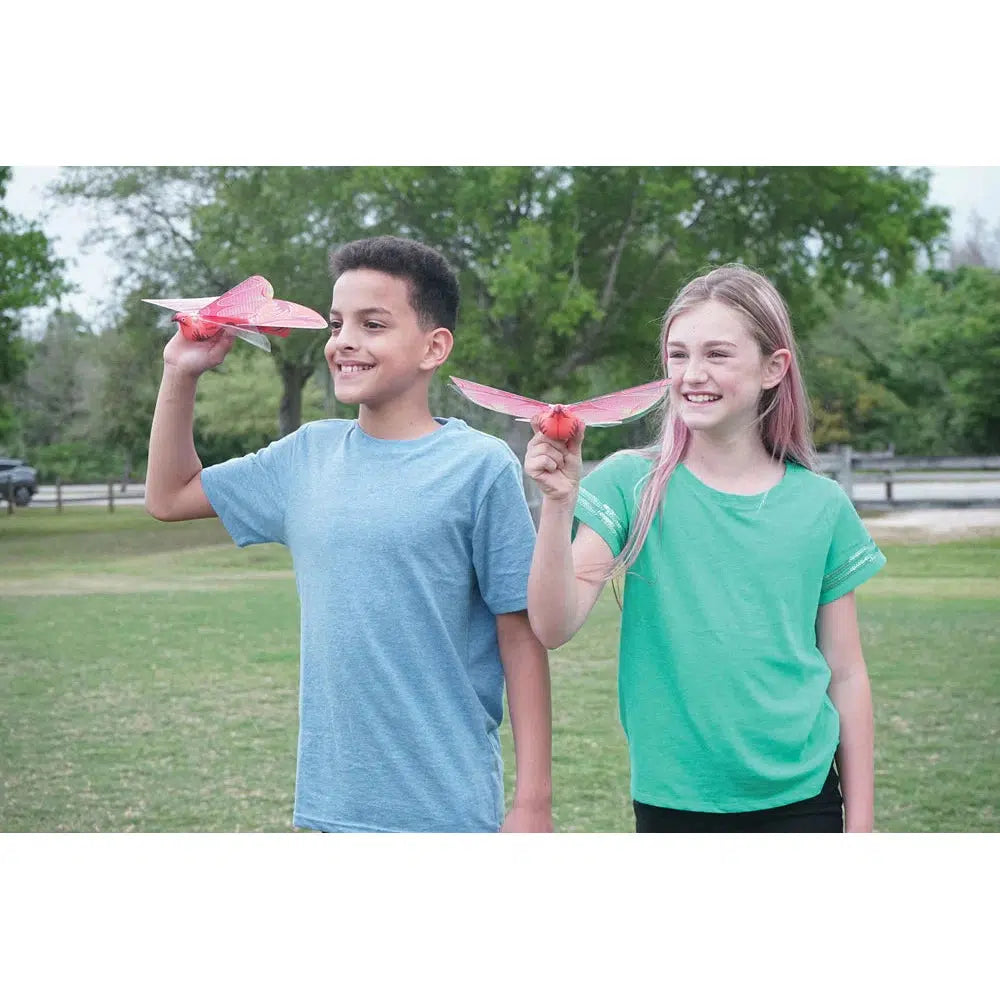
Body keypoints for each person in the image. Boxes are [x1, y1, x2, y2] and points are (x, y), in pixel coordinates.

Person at [145, 235, 552, 833]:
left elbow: (520, 638)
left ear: (434, 346)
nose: (345, 342)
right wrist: (180, 373)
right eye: (337, 324)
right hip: (330, 807)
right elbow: (169, 495)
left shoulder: (481, 466)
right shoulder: (306, 455)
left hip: (447, 806)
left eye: (374, 324)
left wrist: (533, 802)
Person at [524, 263, 884, 833]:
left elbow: (846, 673)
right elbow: (552, 625)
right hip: (675, 798)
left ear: (774, 368)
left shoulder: (822, 505)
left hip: (806, 795)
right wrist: (557, 505)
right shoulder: (628, 484)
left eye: (717, 354)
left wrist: (860, 826)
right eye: (678, 354)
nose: (693, 374)